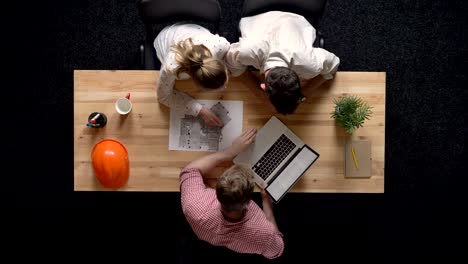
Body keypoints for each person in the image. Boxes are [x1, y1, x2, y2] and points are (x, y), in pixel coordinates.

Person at [179, 128, 284, 259]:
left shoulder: (194, 205)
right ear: (248, 202)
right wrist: (267, 206)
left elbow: (188, 172)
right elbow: (276, 251)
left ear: (216, 191)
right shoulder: (264, 234)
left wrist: (229, 153)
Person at [225, 11, 341, 115]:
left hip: (292, 20)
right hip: (259, 15)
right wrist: (260, 96)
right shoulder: (247, 52)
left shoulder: (308, 63)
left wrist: (304, 94)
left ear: (263, 86)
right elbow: (230, 61)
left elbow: (334, 64)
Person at [154, 23, 231, 126]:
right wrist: (200, 110)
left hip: (192, 30)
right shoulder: (171, 68)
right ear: (196, 82)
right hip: (166, 38)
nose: (225, 87)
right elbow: (163, 97)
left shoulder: (221, 45)